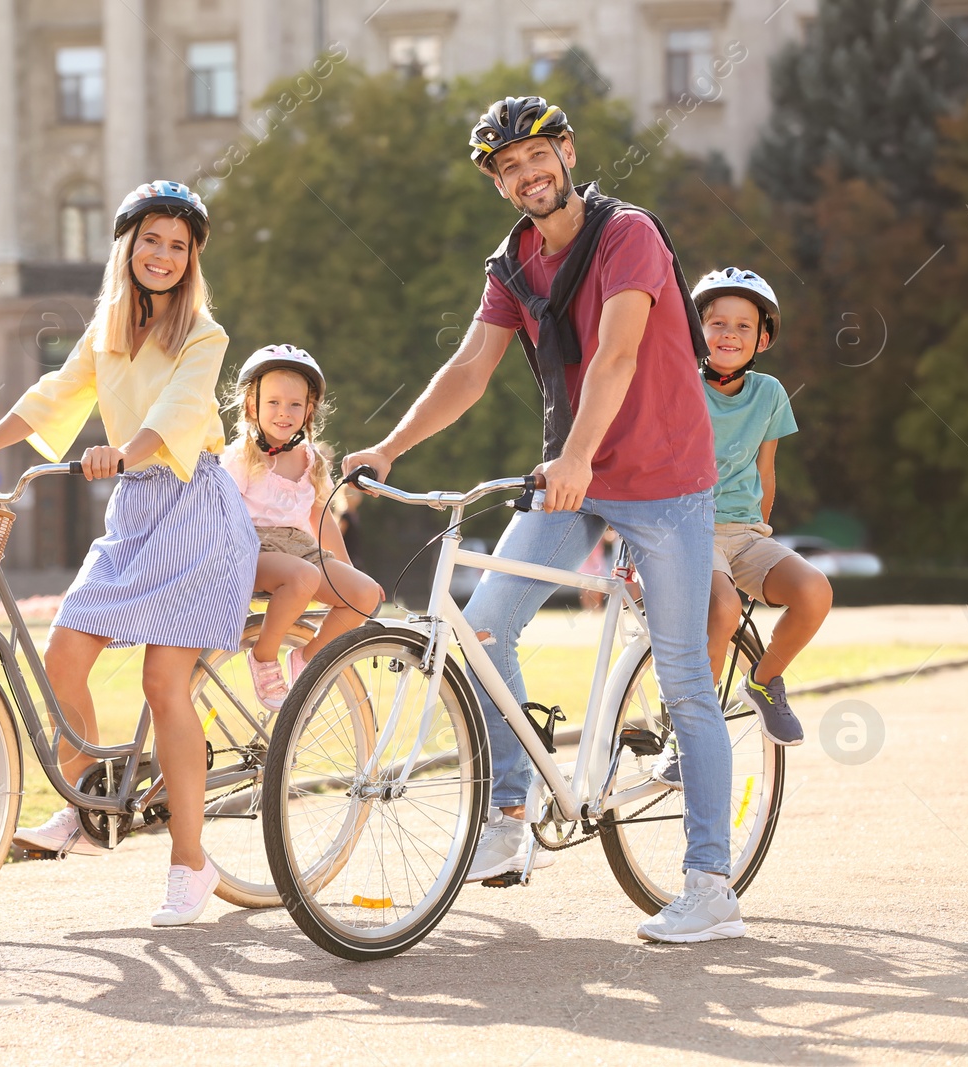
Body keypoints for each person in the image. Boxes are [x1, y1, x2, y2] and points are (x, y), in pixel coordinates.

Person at [345, 95, 745, 943]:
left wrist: (576, 454)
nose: (526, 175)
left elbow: (618, 352)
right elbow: (470, 367)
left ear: (566, 151)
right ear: (499, 184)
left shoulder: (628, 232)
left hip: (665, 480)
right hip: (572, 478)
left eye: (536, 157)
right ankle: (514, 806)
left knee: (683, 681)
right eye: (507, 168)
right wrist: (390, 446)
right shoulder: (512, 265)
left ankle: (711, 883)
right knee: (485, 625)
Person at [0, 180, 258, 927]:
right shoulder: (108, 327)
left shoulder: (204, 334)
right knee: (63, 653)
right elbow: (52, 395)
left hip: (194, 507)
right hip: (135, 510)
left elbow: (178, 415)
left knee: (162, 682)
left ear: (191, 258)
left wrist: (126, 450)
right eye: (152, 240)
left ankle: (190, 863)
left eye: (179, 246)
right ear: (128, 246)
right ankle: (86, 811)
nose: (164, 256)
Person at [654, 268, 832, 788]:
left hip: (744, 532)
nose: (729, 334)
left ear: (763, 338)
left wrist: (760, 533)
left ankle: (764, 680)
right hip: (687, 528)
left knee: (815, 592)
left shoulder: (770, 393)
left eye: (743, 326)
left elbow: (765, 469)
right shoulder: (678, 380)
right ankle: (687, 737)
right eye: (716, 323)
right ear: (697, 329)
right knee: (723, 609)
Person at [223, 345, 383, 709]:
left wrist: (348, 572)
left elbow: (320, 516)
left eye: (295, 405)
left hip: (300, 550)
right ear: (252, 407)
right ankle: (264, 656)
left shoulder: (310, 459)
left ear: (309, 411)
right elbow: (224, 514)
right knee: (303, 576)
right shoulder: (242, 456)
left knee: (364, 595)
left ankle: (308, 660)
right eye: (274, 402)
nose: (284, 412)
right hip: (252, 549)